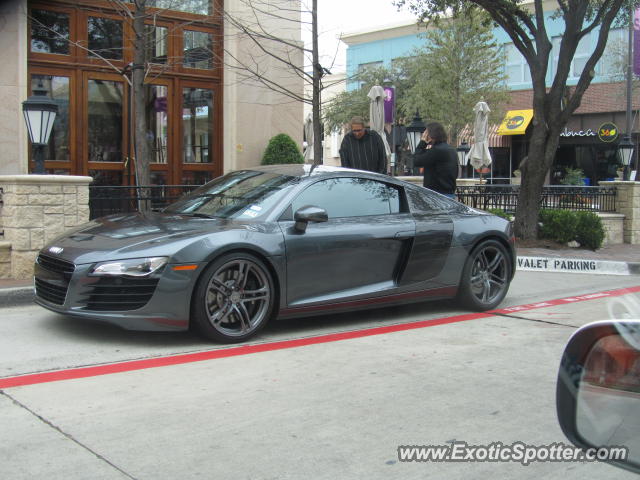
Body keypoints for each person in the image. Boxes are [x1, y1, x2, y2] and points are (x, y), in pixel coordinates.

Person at [412, 122, 458, 198]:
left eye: (426, 133)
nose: (424, 135)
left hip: (437, 196)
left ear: (431, 135)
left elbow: (416, 161)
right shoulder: (451, 150)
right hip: (449, 194)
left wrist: (423, 142)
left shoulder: (437, 150)